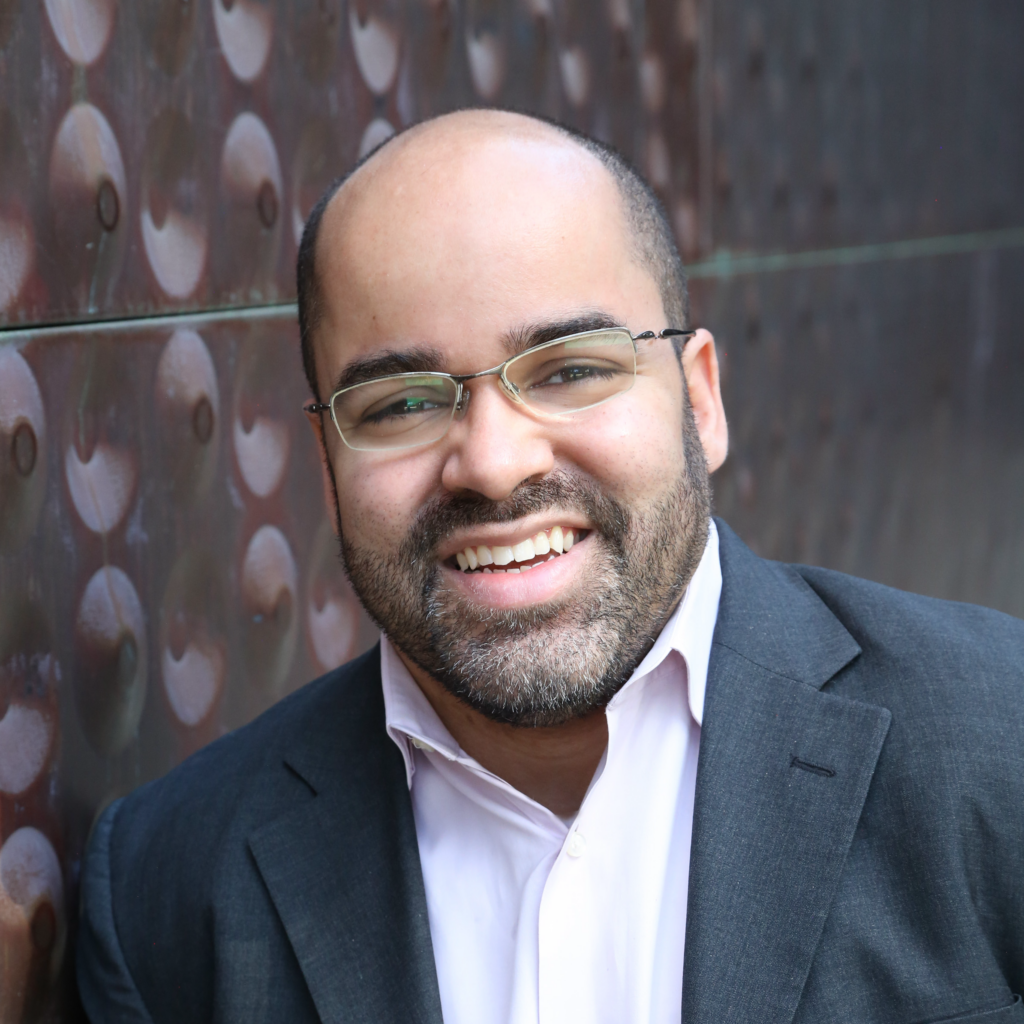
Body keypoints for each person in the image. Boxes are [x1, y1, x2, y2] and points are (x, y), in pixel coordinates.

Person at [77, 110, 1024, 1024]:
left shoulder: (996, 743)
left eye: (570, 369)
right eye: (402, 402)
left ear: (699, 402)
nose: (494, 463)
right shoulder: (170, 890)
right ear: (327, 470)